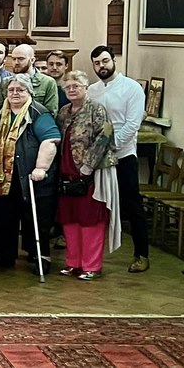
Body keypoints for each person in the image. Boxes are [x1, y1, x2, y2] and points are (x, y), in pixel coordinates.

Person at [0, 73, 61, 274]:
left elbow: (51, 140)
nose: (15, 93)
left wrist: (41, 168)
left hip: (30, 175)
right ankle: (4, 255)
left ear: (29, 92)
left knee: (36, 217)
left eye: (20, 90)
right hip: (2, 175)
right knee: (3, 215)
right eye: (11, 90)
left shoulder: (38, 112)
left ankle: (40, 255)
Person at [86, 45, 149, 272]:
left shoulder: (132, 88)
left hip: (123, 155)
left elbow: (132, 124)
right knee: (95, 203)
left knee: (132, 205)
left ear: (113, 60)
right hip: (96, 158)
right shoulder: (92, 90)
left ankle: (142, 254)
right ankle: (92, 254)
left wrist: (110, 147)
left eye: (105, 61)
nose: (101, 66)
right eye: (96, 63)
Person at [57, 70, 120, 280]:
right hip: (66, 173)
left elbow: (105, 136)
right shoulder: (64, 111)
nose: (72, 90)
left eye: (76, 86)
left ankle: (91, 265)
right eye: (68, 87)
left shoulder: (97, 109)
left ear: (86, 88)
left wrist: (88, 166)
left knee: (90, 220)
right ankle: (73, 262)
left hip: (91, 175)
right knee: (70, 219)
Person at [0, 44, 59, 115]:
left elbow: (51, 113)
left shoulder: (48, 82)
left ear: (32, 60)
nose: (16, 62)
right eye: (14, 59)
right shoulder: (5, 82)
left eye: (21, 59)